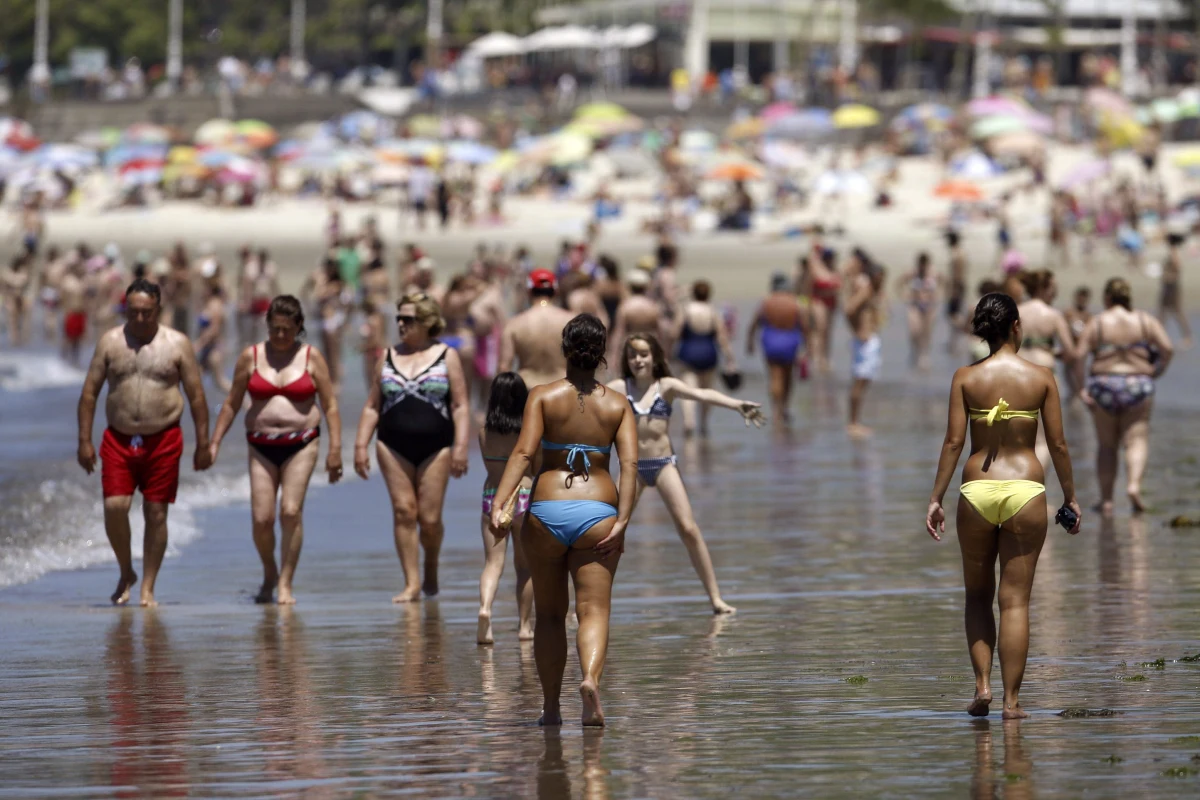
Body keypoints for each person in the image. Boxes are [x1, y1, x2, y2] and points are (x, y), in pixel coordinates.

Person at [926, 292, 1081, 720]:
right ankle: (1013, 704)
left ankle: (982, 687)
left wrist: (936, 497)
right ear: (1017, 326)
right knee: (1015, 603)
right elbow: (1059, 444)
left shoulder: (965, 377)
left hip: (977, 490)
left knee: (977, 596)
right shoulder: (1042, 377)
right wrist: (1070, 496)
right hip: (1026, 491)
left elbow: (954, 442)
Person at [488, 315, 637, 727]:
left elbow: (521, 455)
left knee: (550, 616)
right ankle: (589, 679)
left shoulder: (542, 396)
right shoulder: (618, 404)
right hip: (599, 514)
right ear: (602, 352)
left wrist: (498, 506)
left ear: (564, 349)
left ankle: (551, 708)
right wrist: (623, 520)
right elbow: (630, 464)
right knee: (594, 611)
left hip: (547, 513)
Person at [76, 278, 213, 607]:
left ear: (158, 310)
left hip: (164, 438)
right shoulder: (110, 342)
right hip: (118, 438)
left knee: (156, 513)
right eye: (133, 312)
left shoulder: (177, 344)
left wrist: (203, 443)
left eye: (146, 313)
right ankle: (126, 570)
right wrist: (84, 440)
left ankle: (148, 586)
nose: (139, 319)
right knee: (114, 507)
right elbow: (90, 393)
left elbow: (196, 397)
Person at [609, 334, 763, 613]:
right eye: (632, 355)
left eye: (644, 354)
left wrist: (736, 404)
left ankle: (716, 598)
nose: (638, 360)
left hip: (664, 463)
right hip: (632, 467)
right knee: (609, 531)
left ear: (655, 356)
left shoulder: (665, 385)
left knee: (689, 529)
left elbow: (703, 394)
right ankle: (583, 604)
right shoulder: (620, 387)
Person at [209, 296, 342, 604]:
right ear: (267, 326)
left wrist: (335, 449)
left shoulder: (311, 357)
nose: (280, 336)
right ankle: (269, 571)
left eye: (286, 330)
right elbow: (231, 404)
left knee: (291, 511)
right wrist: (213, 442)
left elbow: (331, 405)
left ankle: (285, 582)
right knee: (262, 519)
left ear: (298, 327)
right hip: (260, 444)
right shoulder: (251, 356)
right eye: (274, 329)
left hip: (302, 442)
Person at [354, 292, 470, 602]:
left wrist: (461, 446)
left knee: (429, 520)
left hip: (437, 446)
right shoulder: (388, 356)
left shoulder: (447, 356)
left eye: (409, 319)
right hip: (392, 445)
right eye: (399, 319)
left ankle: (430, 564)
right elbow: (372, 406)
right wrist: (360, 445)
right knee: (405, 511)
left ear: (428, 322)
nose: (402, 324)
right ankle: (412, 583)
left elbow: (459, 405)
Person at [1075, 278, 1173, 515]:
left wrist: (1081, 388)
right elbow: (1167, 349)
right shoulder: (1144, 320)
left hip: (1104, 384)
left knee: (1107, 446)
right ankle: (1133, 485)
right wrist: (1156, 371)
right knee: (1136, 440)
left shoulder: (1098, 322)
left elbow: (1079, 356)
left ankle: (1107, 500)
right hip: (1138, 383)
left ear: (1107, 298)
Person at [477, 372, 534, 645]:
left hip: (492, 496)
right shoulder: (528, 431)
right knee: (525, 567)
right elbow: (534, 467)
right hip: (523, 496)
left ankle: (486, 608)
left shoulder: (483, 433)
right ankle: (524, 627)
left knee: (492, 563)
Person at [672, 280, 738, 437]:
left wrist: (668, 352)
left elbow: (675, 332)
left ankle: (689, 422)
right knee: (707, 390)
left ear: (694, 293)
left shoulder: (685, 310)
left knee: (688, 390)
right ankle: (703, 423)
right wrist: (731, 359)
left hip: (688, 353)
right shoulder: (713, 312)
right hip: (709, 354)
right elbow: (722, 338)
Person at [747, 273, 807, 426]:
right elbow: (804, 326)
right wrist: (807, 348)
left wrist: (750, 342)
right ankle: (785, 407)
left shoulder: (766, 302)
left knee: (775, 377)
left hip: (771, 340)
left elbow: (755, 323)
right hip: (790, 340)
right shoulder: (795, 303)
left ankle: (776, 411)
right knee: (788, 376)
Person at [500, 269, 575, 388]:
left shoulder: (514, 324)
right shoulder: (572, 321)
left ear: (529, 291)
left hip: (527, 390)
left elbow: (504, 367)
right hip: (562, 389)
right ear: (556, 291)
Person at [846, 257, 884, 438]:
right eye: (881, 277)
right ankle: (853, 423)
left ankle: (855, 421)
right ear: (875, 276)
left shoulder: (872, 291)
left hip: (868, 340)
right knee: (859, 382)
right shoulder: (866, 290)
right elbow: (849, 309)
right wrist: (857, 330)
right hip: (864, 341)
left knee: (864, 381)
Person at [894, 252, 939, 371]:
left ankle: (924, 355)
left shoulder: (933, 273)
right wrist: (903, 295)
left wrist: (939, 296)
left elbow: (945, 282)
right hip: (915, 305)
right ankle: (915, 352)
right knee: (914, 330)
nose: (922, 266)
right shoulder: (913, 273)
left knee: (927, 332)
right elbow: (899, 282)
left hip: (929, 306)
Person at [193, 283, 232, 392]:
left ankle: (246, 403)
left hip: (214, 350)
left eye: (204, 288)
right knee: (193, 380)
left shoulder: (215, 305)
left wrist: (198, 345)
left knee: (220, 382)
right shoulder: (208, 304)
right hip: (207, 349)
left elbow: (214, 330)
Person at [1158, 232, 1192, 348]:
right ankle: (1158, 336)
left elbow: (1177, 268)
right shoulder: (1173, 252)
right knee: (1163, 312)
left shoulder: (1174, 252)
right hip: (1169, 286)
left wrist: (1168, 276)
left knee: (1176, 312)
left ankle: (1187, 337)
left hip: (1172, 286)